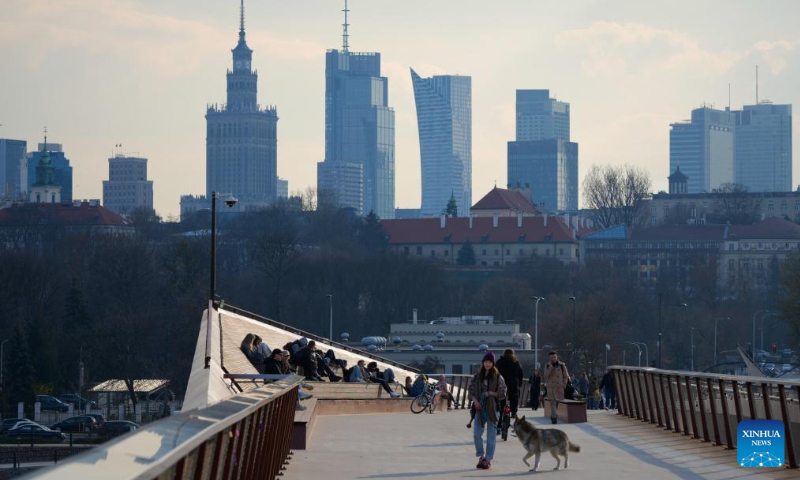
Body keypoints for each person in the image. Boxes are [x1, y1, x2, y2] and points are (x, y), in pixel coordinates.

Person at [468, 352, 506, 470]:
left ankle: (488, 459)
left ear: (493, 363)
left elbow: (503, 393)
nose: (487, 364)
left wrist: (490, 393)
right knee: (476, 434)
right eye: (486, 362)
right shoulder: (477, 376)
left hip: (493, 409)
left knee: (491, 436)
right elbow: (471, 391)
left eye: (490, 362)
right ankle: (481, 456)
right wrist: (475, 401)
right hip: (479, 409)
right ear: (483, 363)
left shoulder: (499, 377)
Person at [495, 349, 523, 418]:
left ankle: (502, 411)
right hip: (513, 384)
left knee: (502, 398)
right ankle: (513, 412)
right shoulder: (516, 362)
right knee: (514, 398)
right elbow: (520, 374)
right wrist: (519, 384)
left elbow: (495, 373)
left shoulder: (499, 362)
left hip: (502, 383)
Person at [543, 350, 569, 424]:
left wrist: (564, 384)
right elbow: (546, 376)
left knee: (557, 402)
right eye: (551, 357)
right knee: (553, 403)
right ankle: (554, 418)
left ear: (557, 357)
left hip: (559, 387)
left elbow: (566, 376)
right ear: (549, 358)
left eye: (554, 357)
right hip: (551, 387)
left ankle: (553, 415)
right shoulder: (547, 365)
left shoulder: (562, 365)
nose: (553, 359)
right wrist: (550, 367)